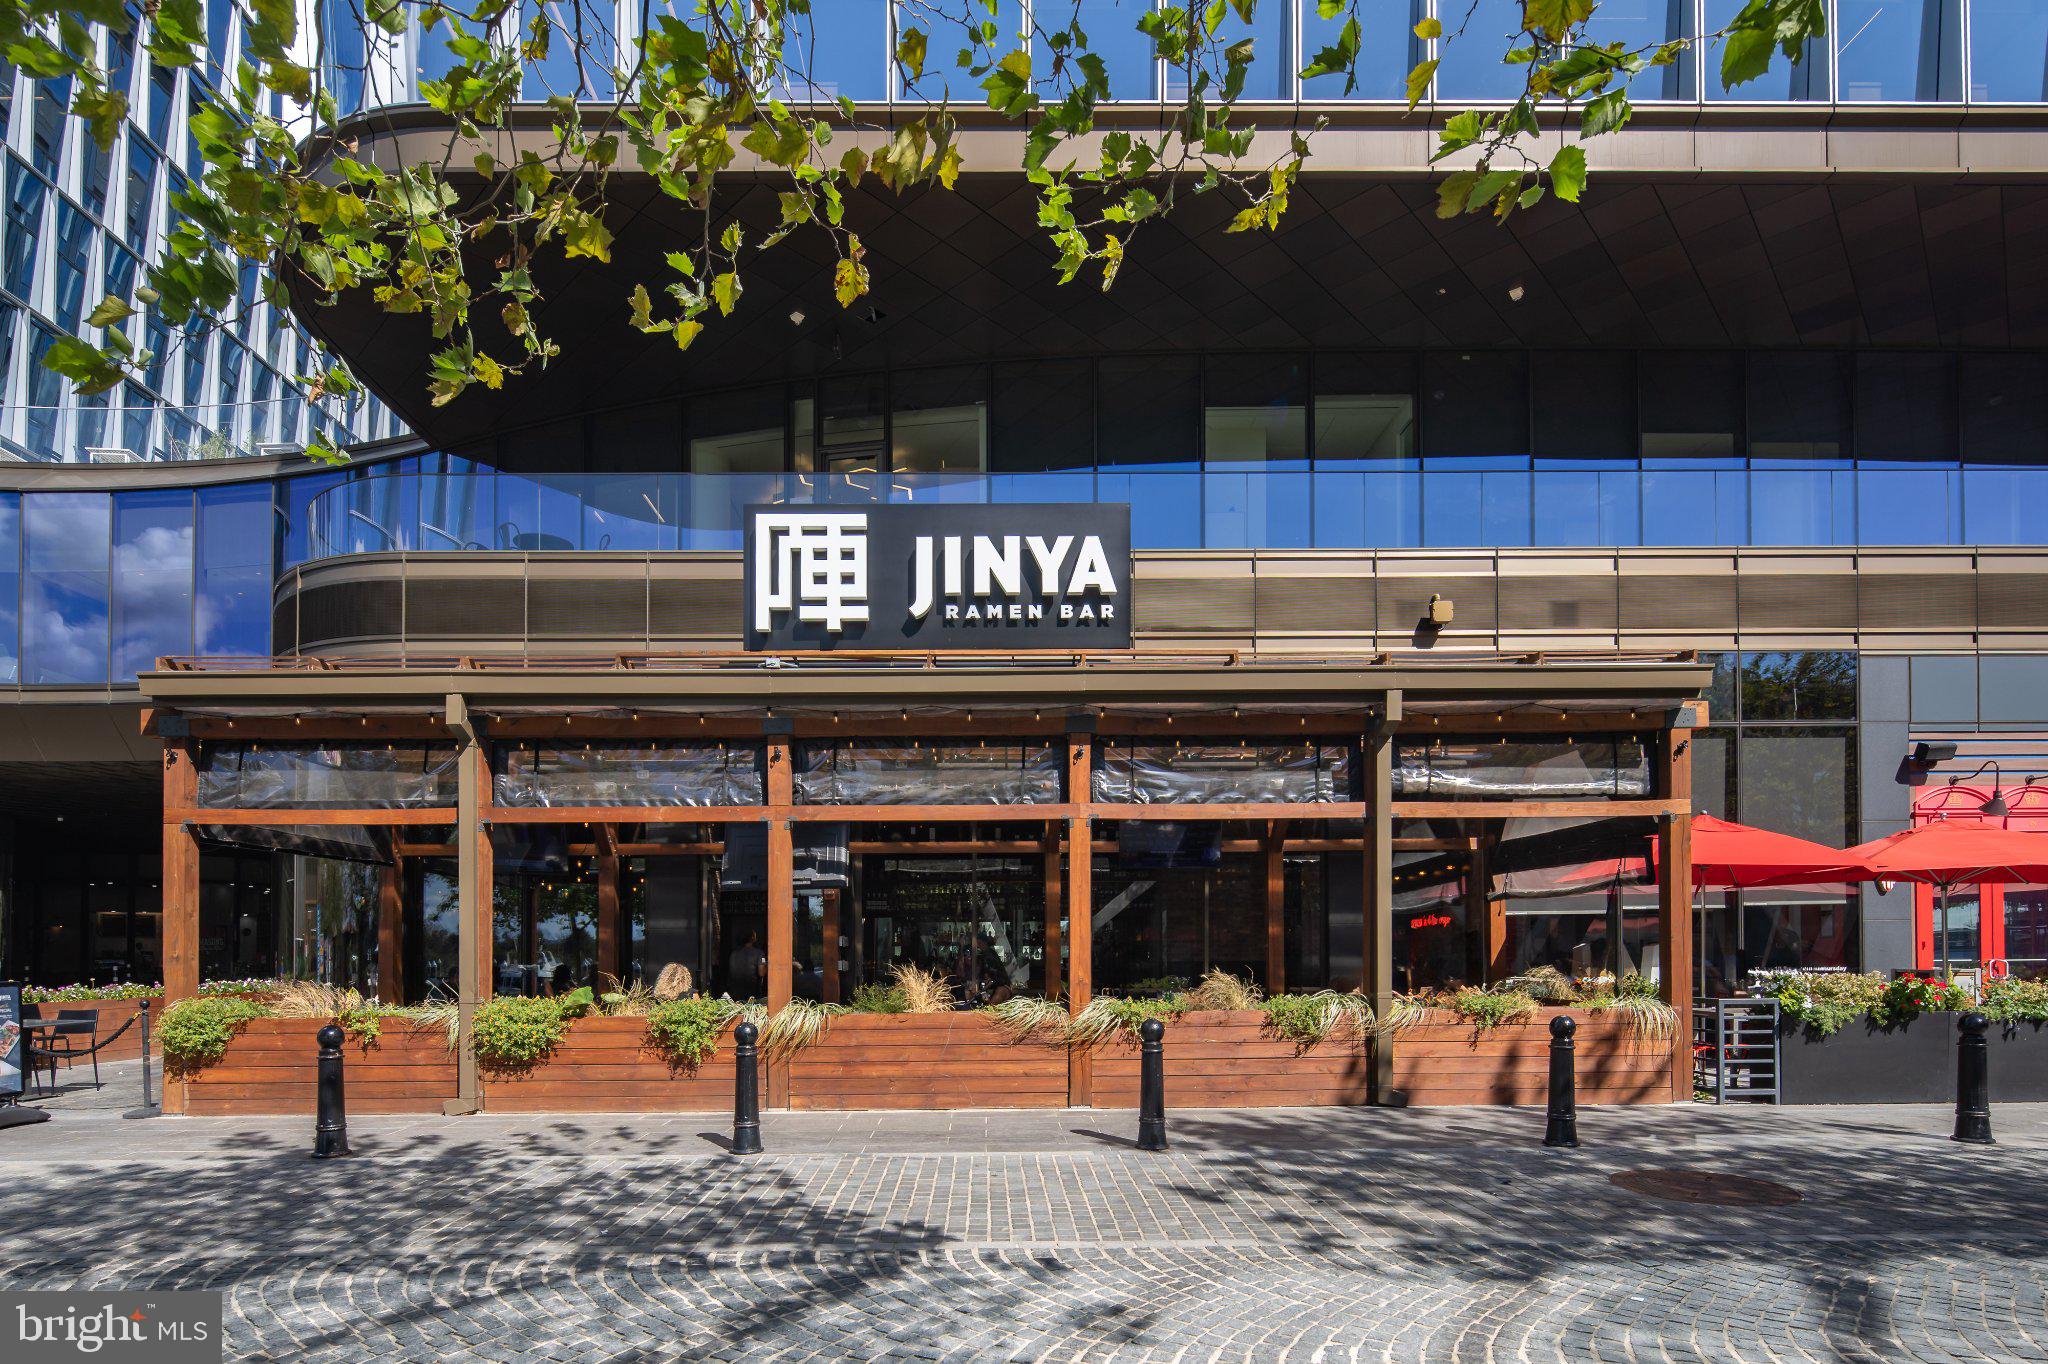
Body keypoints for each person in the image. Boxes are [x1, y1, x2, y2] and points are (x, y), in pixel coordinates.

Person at [728, 931, 766, 995]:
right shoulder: (760, 953)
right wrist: (766, 965)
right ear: (753, 938)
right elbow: (761, 973)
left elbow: (731, 972)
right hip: (752, 990)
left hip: (736, 989)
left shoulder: (734, 953)